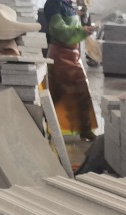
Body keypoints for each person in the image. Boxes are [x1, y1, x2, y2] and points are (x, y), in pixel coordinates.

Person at [44, 0, 98, 139]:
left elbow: (71, 25)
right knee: (58, 93)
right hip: (60, 55)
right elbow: (60, 30)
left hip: (72, 53)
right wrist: (82, 31)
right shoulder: (54, 4)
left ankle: (84, 129)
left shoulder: (67, 4)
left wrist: (82, 21)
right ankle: (52, 130)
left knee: (80, 91)